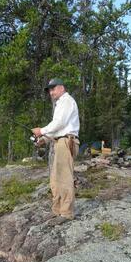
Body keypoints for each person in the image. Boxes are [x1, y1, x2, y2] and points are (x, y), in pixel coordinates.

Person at [32, 78, 80, 221]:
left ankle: (66, 213)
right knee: (55, 179)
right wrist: (44, 139)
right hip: (60, 141)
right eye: (49, 90)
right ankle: (57, 210)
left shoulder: (66, 101)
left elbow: (60, 123)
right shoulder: (60, 104)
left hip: (67, 142)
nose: (51, 92)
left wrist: (41, 130)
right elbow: (58, 129)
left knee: (64, 178)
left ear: (62, 88)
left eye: (53, 89)